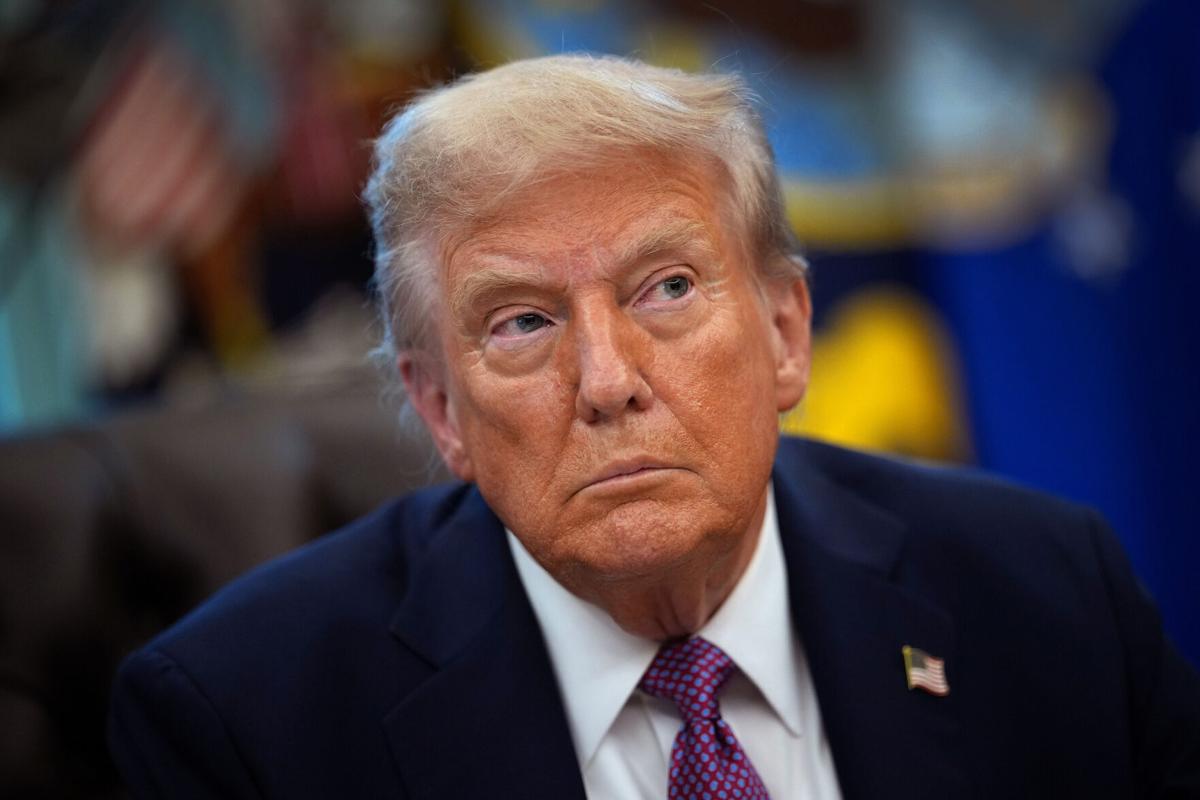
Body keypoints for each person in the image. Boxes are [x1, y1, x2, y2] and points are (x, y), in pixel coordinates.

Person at [108, 54, 1200, 799]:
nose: (607, 381)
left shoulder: (1049, 598)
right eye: (522, 321)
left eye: (668, 288)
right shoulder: (247, 728)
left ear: (785, 333)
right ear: (441, 409)